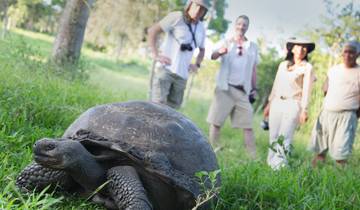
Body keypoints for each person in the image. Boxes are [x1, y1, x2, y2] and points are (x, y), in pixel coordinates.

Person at [206, 15, 259, 158]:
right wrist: (220, 52)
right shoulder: (225, 42)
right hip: (225, 89)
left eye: (245, 25)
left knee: (248, 126)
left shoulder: (252, 47)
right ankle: (213, 153)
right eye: (239, 24)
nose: (241, 27)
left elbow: (254, 69)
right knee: (216, 122)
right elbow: (212, 56)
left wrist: (254, 89)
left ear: (247, 27)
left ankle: (253, 158)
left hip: (243, 91)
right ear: (235, 25)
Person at [264, 38, 316, 170]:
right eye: (298, 46)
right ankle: (270, 164)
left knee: (284, 137)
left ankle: (279, 168)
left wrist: (304, 109)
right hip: (277, 102)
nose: (301, 50)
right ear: (292, 49)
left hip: (293, 103)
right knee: (273, 136)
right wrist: (269, 103)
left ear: (307, 51)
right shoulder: (283, 65)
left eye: (305, 48)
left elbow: (306, 91)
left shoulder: (307, 67)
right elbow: (276, 85)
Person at [147, 0, 209, 109]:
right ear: (190, 5)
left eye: (202, 8)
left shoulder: (201, 28)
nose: (198, 10)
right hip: (166, 70)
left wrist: (197, 64)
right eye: (196, 6)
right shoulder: (176, 17)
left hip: (182, 76)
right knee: (156, 108)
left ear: (205, 12)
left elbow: (202, 50)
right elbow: (152, 31)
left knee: (173, 113)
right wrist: (156, 55)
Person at [310, 41, 360, 167]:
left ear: (358, 54)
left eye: (352, 52)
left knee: (341, 155)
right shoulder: (334, 70)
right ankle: (312, 180)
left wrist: (354, 115)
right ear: (342, 53)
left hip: (347, 116)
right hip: (327, 114)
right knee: (319, 152)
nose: (348, 55)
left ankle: (339, 185)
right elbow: (325, 89)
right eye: (346, 52)